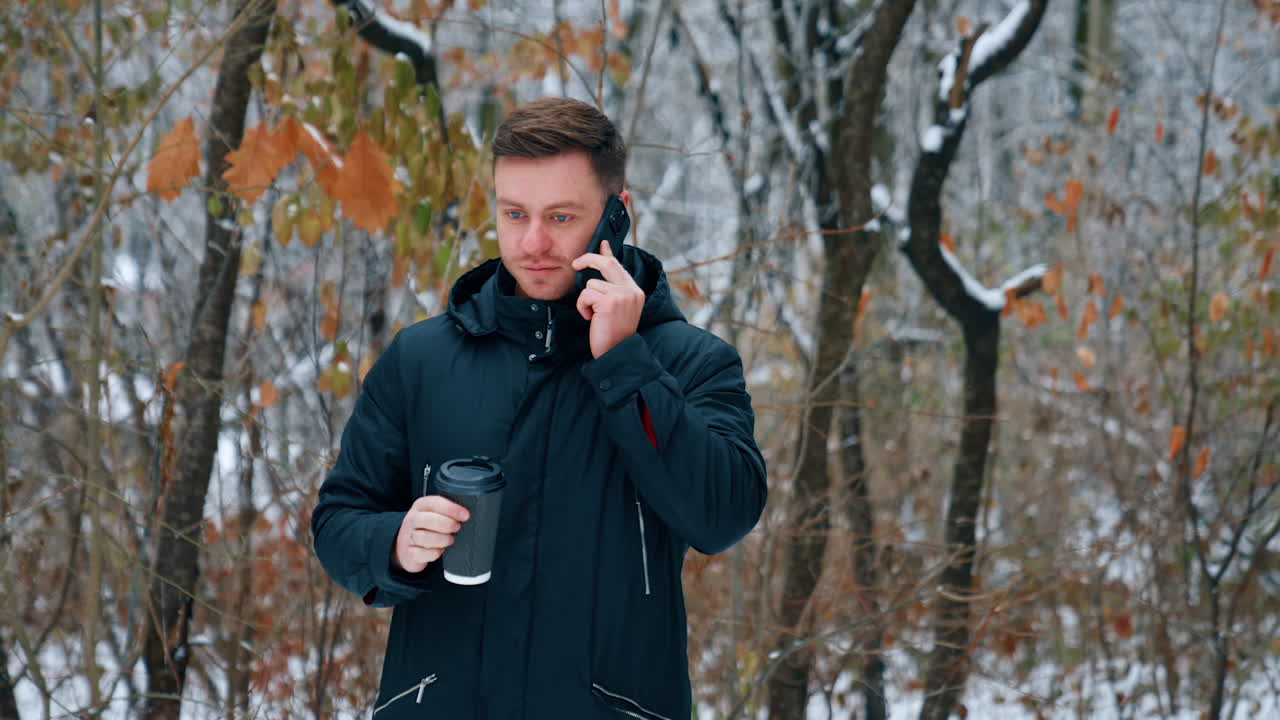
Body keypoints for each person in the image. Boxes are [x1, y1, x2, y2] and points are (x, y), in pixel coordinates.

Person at [311, 96, 767, 719]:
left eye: (560, 217)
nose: (532, 243)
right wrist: (394, 542)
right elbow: (339, 518)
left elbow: (724, 515)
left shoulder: (690, 363)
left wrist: (624, 365)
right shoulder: (422, 360)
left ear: (617, 214)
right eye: (514, 213)